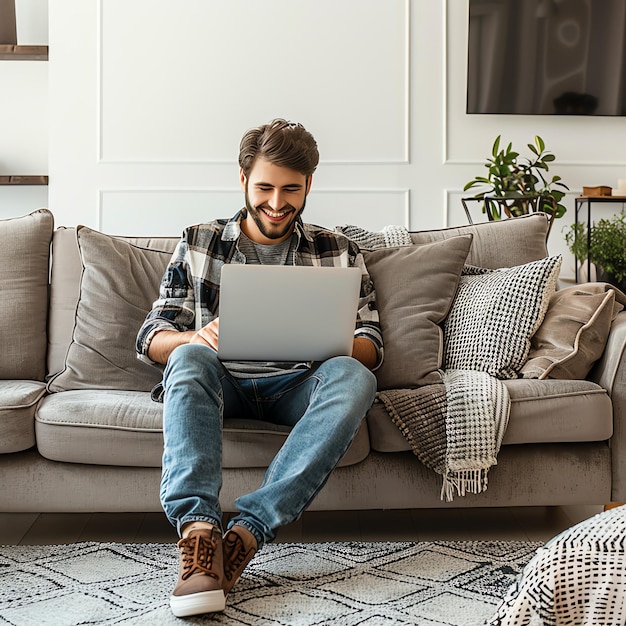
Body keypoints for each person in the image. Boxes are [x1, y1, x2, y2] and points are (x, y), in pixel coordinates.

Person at [136, 118, 383, 618]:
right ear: (243, 178)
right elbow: (151, 336)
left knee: (356, 375)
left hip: (298, 383)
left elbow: (372, 344)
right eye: (265, 187)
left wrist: (331, 341)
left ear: (310, 184)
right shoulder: (199, 241)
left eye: (291, 189)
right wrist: (193, 336)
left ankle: (244, 536)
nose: (276, 202)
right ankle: (200, 538)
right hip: (221, 381)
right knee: (187, 355)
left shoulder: (338, 250)